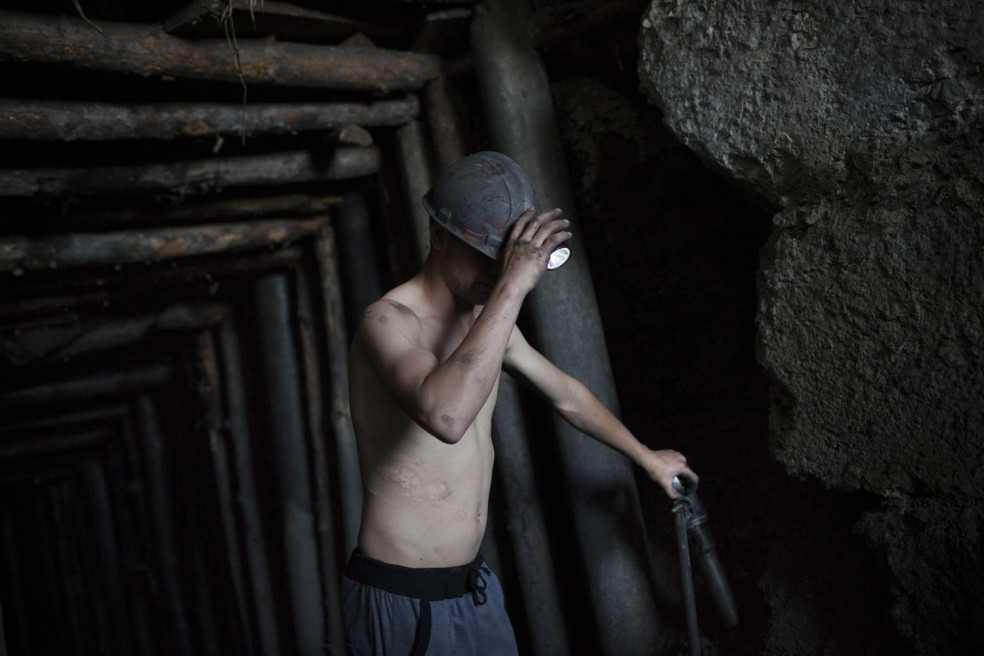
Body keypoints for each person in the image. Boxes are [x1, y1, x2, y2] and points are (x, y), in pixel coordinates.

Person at [341, 151, 697, 655]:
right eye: (486, 259)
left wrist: (647, 457)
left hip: (472, 589)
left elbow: (567, 395)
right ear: (439, 235)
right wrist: (512, 286)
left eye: (504, 262)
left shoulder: (486, 321)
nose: (498, 274)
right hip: (403, 597)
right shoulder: (388, 323)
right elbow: (446, 416)